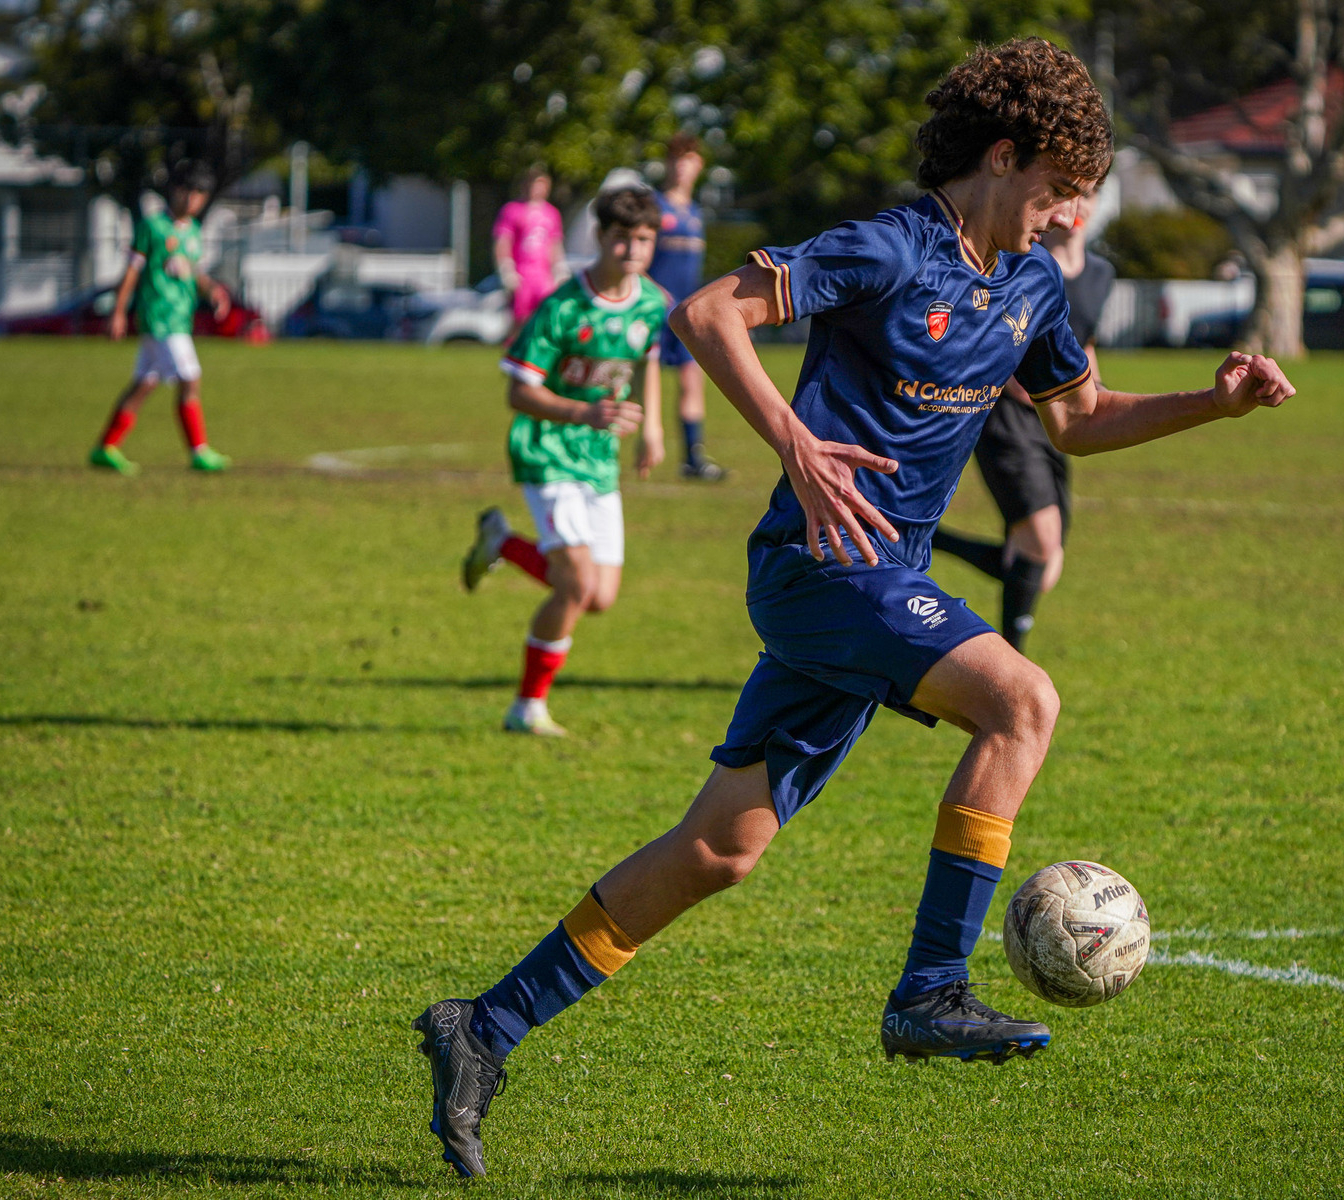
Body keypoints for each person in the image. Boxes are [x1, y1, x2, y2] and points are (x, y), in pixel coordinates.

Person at [413, 38, 1294, 1178]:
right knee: (1022, 702)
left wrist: (1211, 406)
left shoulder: (1031, 284)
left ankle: (484, 1025)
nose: (1070, 217)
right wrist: (797, 444)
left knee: (719, 849)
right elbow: (706, 315)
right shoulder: (890, 247)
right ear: (1001, 154)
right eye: (1058, 190)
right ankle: (931, 987)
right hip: (820, 567)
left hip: (882, 580)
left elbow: (1077, 419)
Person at [459, 186, 666, 737]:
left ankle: (501, 542)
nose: (631, 251)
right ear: (600, 237)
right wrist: (584, 414)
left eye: (643, 240)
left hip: (599, 459)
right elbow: (519, 393)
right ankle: (527, 708)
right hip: (546, 449)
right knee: (574, 584)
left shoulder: (651, 302)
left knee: (599, 597)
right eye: (621, 239)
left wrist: (653, 429)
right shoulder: (562, 306)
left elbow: (648, 358)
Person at [930, 192, 1115, 651]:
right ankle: (1011, 660)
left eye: (1089, 195)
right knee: (1040, 538)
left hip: (1054, 419)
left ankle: (926, 538)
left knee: (1043, 565)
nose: (1078, 205)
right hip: (1005, 415)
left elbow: (1084, 345)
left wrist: (1094, 399)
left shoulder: (1101, 273)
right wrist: (1024, 379)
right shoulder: (1023, 262)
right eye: (1070, 192)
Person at [89, 161, 233, 474]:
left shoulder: (193, 230)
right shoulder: (152, 227)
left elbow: (190, 270)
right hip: (160, 318)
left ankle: (105, 448)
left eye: (200, 194)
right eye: (189, 191)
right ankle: (199, 451)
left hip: (180, 319)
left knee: (145, 384)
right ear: (175, 191)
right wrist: (118, 311)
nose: (193, 199)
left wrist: (212, 289)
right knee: (190, 378)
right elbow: (131, 271)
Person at [649, 132, 727, 481]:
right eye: (676, 160)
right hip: (650, 312)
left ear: (699, 167)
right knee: (625, 381)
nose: (683, 167)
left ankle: (693, 459)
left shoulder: (695, 213)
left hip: (683, 315)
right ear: (667, 165)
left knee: (691, 381)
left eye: (690, 160)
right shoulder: (654, 207)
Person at [493, 167, 568, 340]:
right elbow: (503, 241)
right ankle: (514, 353)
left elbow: (554, 244)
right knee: (521, 318)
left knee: (547, 314)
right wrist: (506, 269)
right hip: (522, 273)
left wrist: (559, 269)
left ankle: (539, 356)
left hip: (543, 275)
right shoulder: (512, 210)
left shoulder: (552, 213)